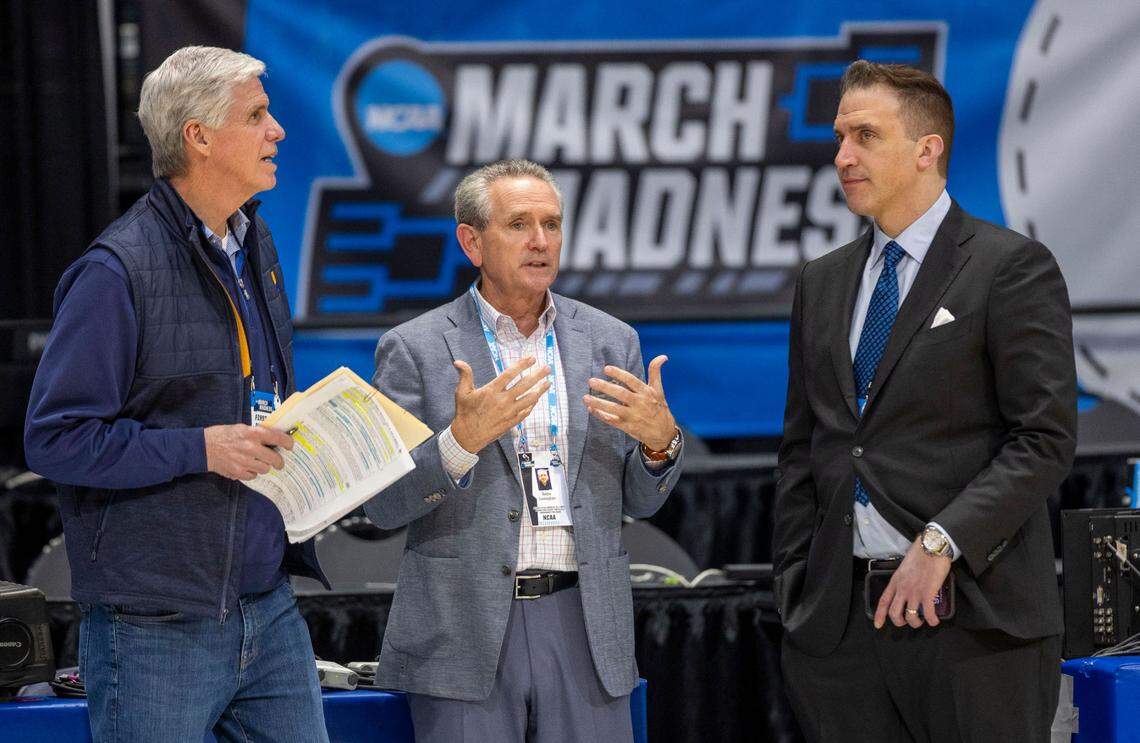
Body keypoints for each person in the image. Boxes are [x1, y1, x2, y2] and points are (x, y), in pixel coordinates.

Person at [24, 46, 329, 742]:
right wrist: (200, 449)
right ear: (198, 136)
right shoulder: (114, 270)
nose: (277, 130)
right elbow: (55, 438)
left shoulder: (257, 245)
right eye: (256, 115)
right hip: (155, 623)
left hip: (267, 604)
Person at [773, 61, 1076, 742]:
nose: (841, 156)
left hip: (974, 624)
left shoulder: (1009, 267)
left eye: (864, 136)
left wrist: (942, 540)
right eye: (838, 137)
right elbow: (805, 448)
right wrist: (797, 581)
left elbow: (1045, 438)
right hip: (839, 630)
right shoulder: (820, 282)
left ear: (926, 149)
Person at [364, 159, 684, 742]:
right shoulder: (413, 350)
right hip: (464, 629)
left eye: (552, 224)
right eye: (518, 224)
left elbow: (642, 500)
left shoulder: (612, 341)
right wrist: (461, 443)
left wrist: (662, 445)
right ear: (472, 241)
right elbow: (384, 505)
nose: (541, 241)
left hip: (584, 622)